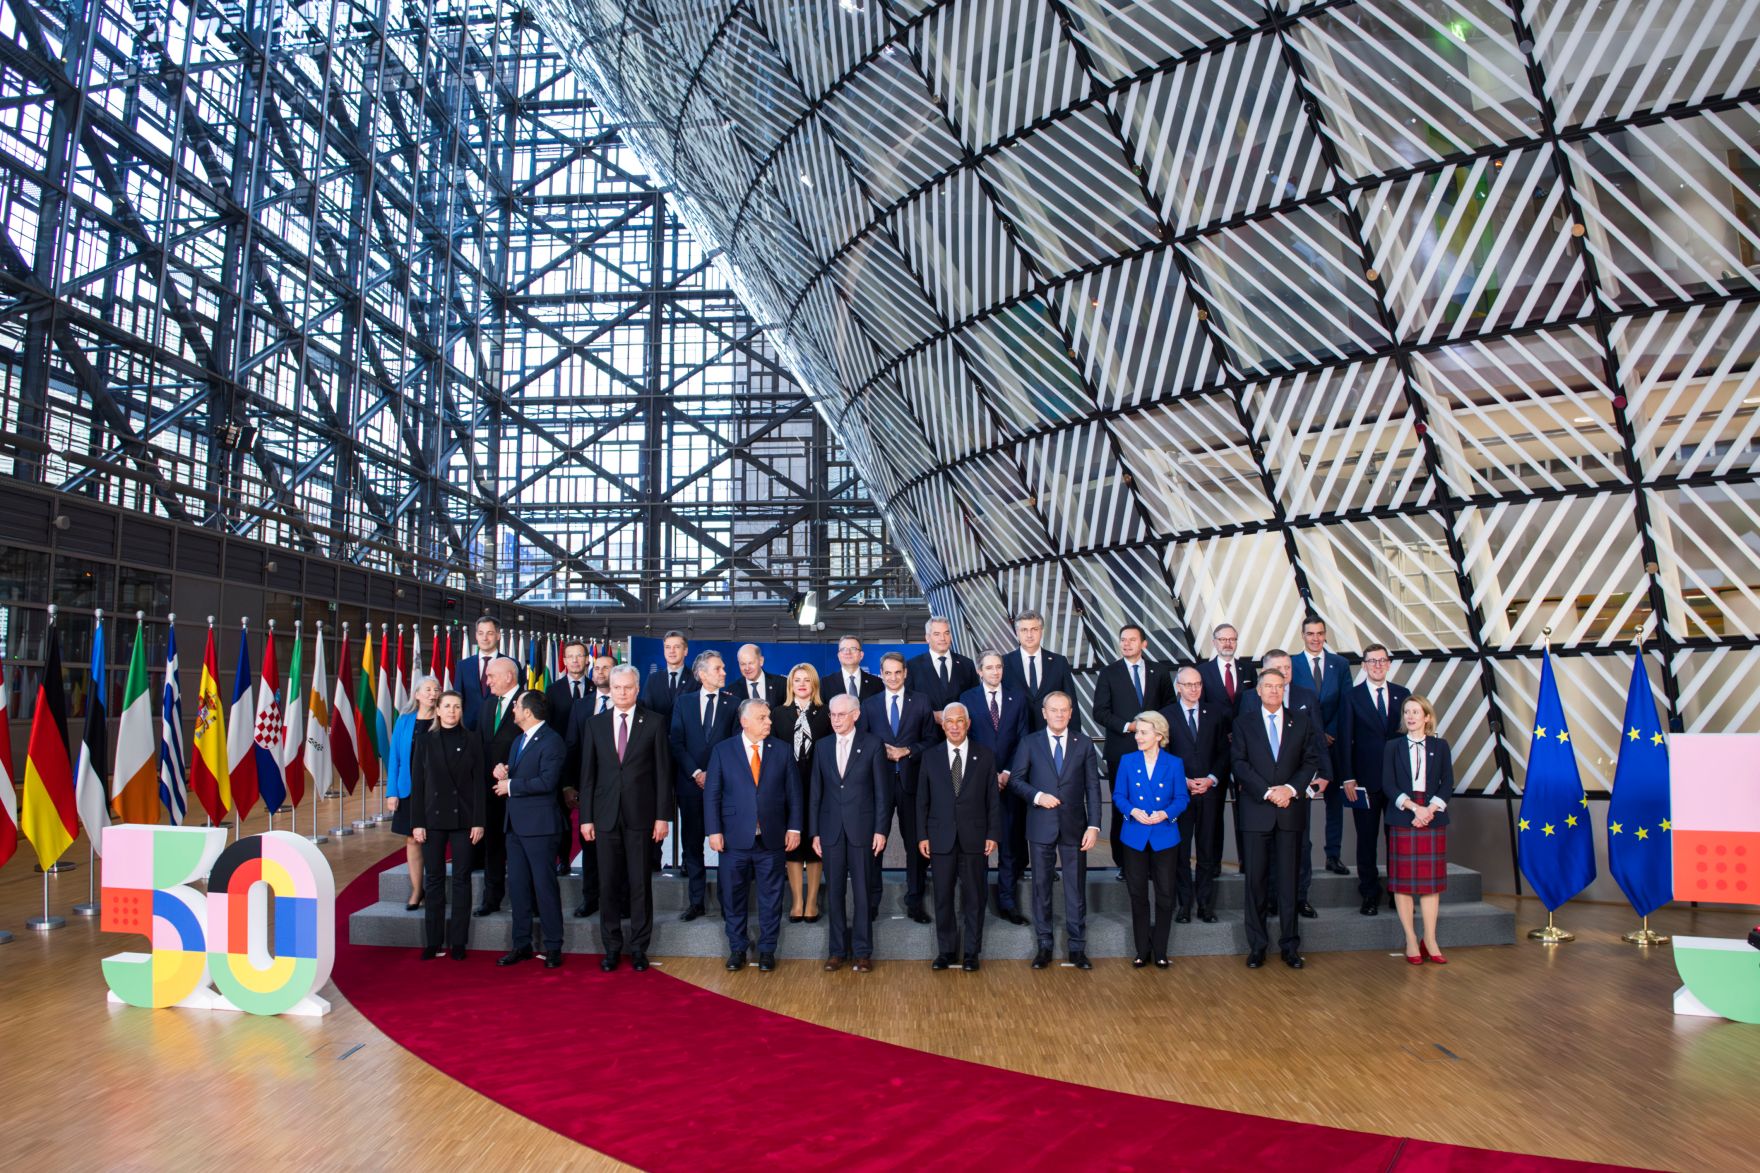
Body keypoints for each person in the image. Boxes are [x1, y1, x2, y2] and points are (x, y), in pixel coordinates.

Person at [579, 664, 673, 972]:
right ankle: (611, 947)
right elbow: (587, 776)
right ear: (610, 689)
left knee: (639, 884)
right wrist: (586, 818)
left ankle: (639, 948)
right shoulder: (594, 724)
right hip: (604, 818)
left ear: (637, 688)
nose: (622, 692)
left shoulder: (654, 722)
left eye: (628, 687)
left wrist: (662, 817)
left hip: (641, 817)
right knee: (607, 884)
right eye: (617, 687)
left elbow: (663, 774)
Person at [1232, 667, 1324, 970]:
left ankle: (1290, 947)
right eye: (1268, 686)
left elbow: (1310, 761)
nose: (1273, 690)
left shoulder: (1302, 722)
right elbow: (1239, 764)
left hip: (1290, 811)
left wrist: (1290, 789)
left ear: (1285, 690)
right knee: (1255, 884)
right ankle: (1257, 947)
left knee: (1289, 884)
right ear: (1258, 691)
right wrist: (1267, 792)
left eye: (1278, 686)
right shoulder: (1243, 723)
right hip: (1256, 812)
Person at [1008, 691, 1103, 969]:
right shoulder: (1029, 742)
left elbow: (1093, 788)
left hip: (1075, 827)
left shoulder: (1084, 743)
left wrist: (1094, 825)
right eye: (1054, 710)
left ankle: (1077, 948)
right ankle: (1044, 946)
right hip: (1041, 825)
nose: (1059, 714)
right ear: (1044, 713)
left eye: (1064, 710)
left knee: (1075, 889)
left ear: (1071, 713)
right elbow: (1015, 780)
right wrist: (1038, 796)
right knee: (1041, 889)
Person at [706, 699, 802, 972]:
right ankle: (737, 947)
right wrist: (713, 831)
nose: (769, 722)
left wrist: (794, 828)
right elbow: (712, 794)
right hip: (733, 839)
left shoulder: (782, 750)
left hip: (772, 838)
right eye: (762, 718)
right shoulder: (723, 750)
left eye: (768, 717)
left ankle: (767, 949)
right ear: (744, 721)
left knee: (771, 898)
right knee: (733, 896)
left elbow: (794, 794)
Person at [1251, 648, 1342, 920]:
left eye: (1288, 668)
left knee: (1301, 843)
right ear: (1264, 673)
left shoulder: (1306, 695)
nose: (1284, 673)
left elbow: (1317, 737)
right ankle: (1271, 899)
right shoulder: (1250, 698)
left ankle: (1301, 897)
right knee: (1268, 844)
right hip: (1264, 788)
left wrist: (1325, 773)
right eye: (1278, 668)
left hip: (1300, 784)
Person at [858, 652, 939, 923]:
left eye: (897, 672)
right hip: (878, 784)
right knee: (874, 845)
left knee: (915, 845)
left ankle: (915, 901)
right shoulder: (869, 705)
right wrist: (880, 750)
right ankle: (871, 903)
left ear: (905, 673)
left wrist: (907, 750)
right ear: (881, 675)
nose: (893, 677)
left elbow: (931, 740)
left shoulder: (922, 701)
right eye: (888, 673)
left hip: (912, 783)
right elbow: (862, 742)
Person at [916, 703, 998, 971]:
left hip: (975, 837)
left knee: (975, 897)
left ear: (968, 723)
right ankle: (947, 951)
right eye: (949, 721)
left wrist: (992, 834)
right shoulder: (930, 756)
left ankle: (972, 952)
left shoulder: (985, 756)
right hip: (940, 838)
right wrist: (922, 835)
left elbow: (993, 800)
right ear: (942, 725)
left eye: (959, 721)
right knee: (942, 897)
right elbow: (922, 800)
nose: (954, 726)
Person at [810, 694, 888, 971]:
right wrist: (814, 833)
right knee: (835, 892)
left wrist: (880, 830)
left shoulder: (873, 744)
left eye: (841, 714)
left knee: (862, 892)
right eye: (832, 715)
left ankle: (863, 951)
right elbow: (815, 792)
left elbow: (882, 792)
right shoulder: (822, 746)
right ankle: (837, 951)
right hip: (830, 831)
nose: (835, 720)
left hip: (863, 830)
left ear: (855, 715)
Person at [494, 691, 567, 969]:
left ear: (528, 711)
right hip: (515, 826)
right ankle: (521, 944)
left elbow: (547, 782)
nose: (512, 708)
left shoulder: (552, 741)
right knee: (518, 887)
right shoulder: (519, 740)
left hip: (540, 828)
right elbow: (522, 772)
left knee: (544, 888)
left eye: (516, 705)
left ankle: (553, 946)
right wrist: (504, 771)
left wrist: (510, 786)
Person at [410, 690, 484, 960]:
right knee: (434, 879)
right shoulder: (424, 741)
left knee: (462, 880)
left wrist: (479, 821)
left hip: (464, 820)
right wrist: (417, 822)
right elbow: (418, 784)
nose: (452, 711)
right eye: (447, 706)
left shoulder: (473, 739)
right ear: (438, 711)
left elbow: (479, 784)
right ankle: (433, 941)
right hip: (432, 820)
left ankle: (458, 942)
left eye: (457, 706)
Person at [1093, 623, 1175, 864]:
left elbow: (1170, 706)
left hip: (1155, 752)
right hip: (1121, 751)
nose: (1126, 644)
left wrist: (1154, 728)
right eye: (1123, 640)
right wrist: (1129, 726)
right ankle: (1123, 863)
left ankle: (1152, 860)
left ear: (1144, 644)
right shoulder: (1109, 673)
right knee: (1124, 807)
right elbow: (1100, 712)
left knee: (1155, 804)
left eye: (1132, 639)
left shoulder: (1159, 672)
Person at [1113, 710, 1189, 967]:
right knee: (1137, 895)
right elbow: (1119, 796)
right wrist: (1132, 810)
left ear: (1158, 735)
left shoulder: (1174, 763)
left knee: (1165, 895)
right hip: (1134, 836)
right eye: (1138, 733)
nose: (1138, 737)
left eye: (1144, 733)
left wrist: (1165, 814)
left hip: (1164, 836)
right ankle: (1142, 949)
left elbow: (1182, 798)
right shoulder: (1127, 761)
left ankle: (1160, 949)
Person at [1382, 694, 1454, 964]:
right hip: (1404, 815)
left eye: (1415, 712)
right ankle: (1411, 939)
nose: (1410, 716)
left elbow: (1447, 783)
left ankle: (1430, 939)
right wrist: (1414, 809)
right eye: (1407, 712)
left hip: (1432, 816)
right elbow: (1388, 784)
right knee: (1403, 885)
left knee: (1430, 886)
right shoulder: (1393, 746)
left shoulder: (1440, 746)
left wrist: (1429, 811)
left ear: (1427, 717)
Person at [667, 650, 737, 921]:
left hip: (725, 788)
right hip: (690, 785)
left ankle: (727, 902)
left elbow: (735, 745)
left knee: (726, 845)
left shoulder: (734, 704)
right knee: (692, 844)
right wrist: (696, 772)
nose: (724, 672)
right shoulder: (683, 702)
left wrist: (715, 775)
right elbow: (676, 742)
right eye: (718, 668)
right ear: (702, 674)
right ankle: (696, 902)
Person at [959, 651, 1028, 924]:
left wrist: (1008, 772)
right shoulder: (967, 699)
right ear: (980, 671)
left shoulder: (1017, 698)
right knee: (978, 848)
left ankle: (1007, 903)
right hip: (979, 782)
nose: (995, 672)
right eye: (989, 668)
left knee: (1009, 846)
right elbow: (966, 739)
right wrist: (990, 775)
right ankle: (977, 905)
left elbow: (1022, 739)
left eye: (999, 667)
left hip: (1010, 783)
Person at [1343, 644, 1408, 916]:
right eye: (1372, 661)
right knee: (1366, 840)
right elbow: (1345, 739)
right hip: (1364, 782)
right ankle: (1369, 894)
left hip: (1398, 783)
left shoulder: (1403, 694)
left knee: (1397, 841)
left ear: (1389, 664)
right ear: (1364, 665)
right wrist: (1348, 777)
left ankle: (1397, 894)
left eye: (1382, 660)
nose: (1378, 665)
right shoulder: (1351, 696)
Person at [1158, 666, 1226, 923]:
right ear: (1178, 687)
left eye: (1197, 684)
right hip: (1179, 795)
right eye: (1188, 684)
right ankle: (1184, 905)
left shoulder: (1215, 713)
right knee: (1181, 852)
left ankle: (1205, 905)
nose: (1194, 689)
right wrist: (1183, 781)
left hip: (1209, 792)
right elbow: (1162, 756)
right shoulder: (1166, 716)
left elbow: (1223, 752)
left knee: (1207, 851)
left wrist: (1211, 779)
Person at [1288, 616, 1352, 877]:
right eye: (1310, 634)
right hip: (1301, 745)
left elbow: (1346, 702)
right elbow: (1289, 702)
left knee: (1334, 802)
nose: (1315, 638)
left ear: (1325, 635)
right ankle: (1301, 856)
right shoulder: (1291, 663)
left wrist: (1329, 733)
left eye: (1320, 633)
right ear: (1302, 635)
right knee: (1300, 799)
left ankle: (1333, 855)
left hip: (1333, 742)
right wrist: (1315, 734)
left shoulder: (1341, 664)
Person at [772, 664, 831, 923]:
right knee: (793, 845)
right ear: (791, 685)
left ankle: (812, 901)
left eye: (807, 680)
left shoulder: (826, 713)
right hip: (788, 787)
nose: (802, 684)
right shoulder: (778, 713)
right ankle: (797, 901)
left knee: (815, 843)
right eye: (797, 680)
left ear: (814, 684)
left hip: (819, 786)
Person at [386, 675, 441, 910]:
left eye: (436, 689)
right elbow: (395, 758)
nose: (433, 693)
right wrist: (392, 792)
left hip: (437, 792)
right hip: (408, 789)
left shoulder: (443, 718)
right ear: (417, 694)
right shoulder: (405, 720)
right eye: (428, 689)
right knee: (412, 838)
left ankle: (435, 889)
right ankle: (417, 890)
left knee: (435, 839)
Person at [473, 656, 522, 917]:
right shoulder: (487, 704)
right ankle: (491, 898)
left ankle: (525, 900)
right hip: (488, 790)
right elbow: (480, 744)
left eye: (492, 675)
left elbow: (535, 743)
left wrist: (510, 769)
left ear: (508, 676)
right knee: (492, 845)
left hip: (518, 788)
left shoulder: (528, 701)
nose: (487, 680)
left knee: (518, 848)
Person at [547, 641, 595, 884]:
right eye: (570, 656)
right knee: (562, 815)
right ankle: (563, 859)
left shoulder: (596, 688)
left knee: (590, 816)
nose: (575, 660)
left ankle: (591, 864)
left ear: (587, 659)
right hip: (561, 761)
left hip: (591, 761)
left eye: (579, 656)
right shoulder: (552, 690)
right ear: (564, 661)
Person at [1001, 609, 1078, 733]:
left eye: (1034, 629)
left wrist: (1075, 737)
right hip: (1016, 735)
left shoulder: (1059, 662)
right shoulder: (1004, 663)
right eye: (1024, 630)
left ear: (1041, 631)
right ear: (1017, 633)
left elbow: (1070, 701)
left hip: (1051, 735)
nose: (1029, 635)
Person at [907, 616, 978, 719]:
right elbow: (908, 702)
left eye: (946, 633)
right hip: (927, 727)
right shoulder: (912, 666)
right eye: (937, 634)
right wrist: (932, 716)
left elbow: (975, 699)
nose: (943, 638)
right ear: (927, 637)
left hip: (960, 727)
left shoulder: (967, 664)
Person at [457, 616, 519, 728]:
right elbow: (458, 699)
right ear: (476, 635)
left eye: (490, 633)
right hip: (469, 729)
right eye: (480, 633)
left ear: (498, 636)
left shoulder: (511, 664)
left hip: (500, 727)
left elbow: (517, 698)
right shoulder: (463, 666)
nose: (484, 638)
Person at [639, 630, 695, 719]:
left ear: (685, 651)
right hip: (658, 728)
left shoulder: (695, 679)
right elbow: (646, 712)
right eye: (668, 647)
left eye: (677, 647)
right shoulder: (653, 679)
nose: (671, 651)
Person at [828, 634, 882, 700]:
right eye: (843, 649)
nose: (848, 652)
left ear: (861, 655)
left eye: (853, 649)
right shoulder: (826, 683)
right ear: (839, 655)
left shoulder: (876, 683)